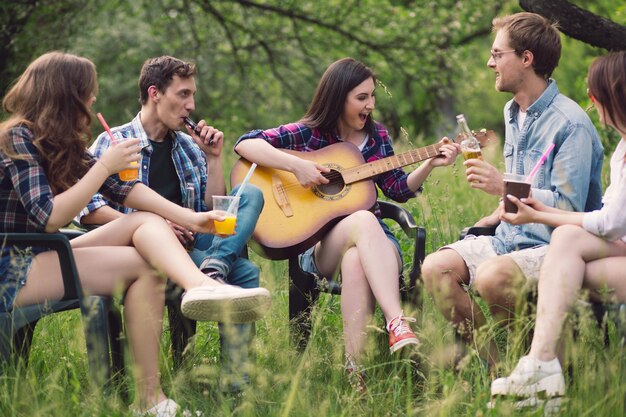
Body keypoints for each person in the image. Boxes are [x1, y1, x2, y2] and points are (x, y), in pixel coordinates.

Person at [0, 51, 270, 416]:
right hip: (12, 266)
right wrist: (104, 167)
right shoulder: (18, 137)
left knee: (146, 240)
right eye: (88, 92)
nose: (93, 98)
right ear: (66, 94)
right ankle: (204, 285)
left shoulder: (59, 141)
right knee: (144, 241)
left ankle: (151, 399)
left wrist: (193, 220)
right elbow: (49, 216)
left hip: (44, 254)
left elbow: (125, 191)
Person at [234, 57, 459, 389]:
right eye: (361, 97)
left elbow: (397, 189)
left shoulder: (377, 135)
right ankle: (397, 320)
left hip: (377, 246)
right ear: (339, 97)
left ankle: (356, 373)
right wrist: (297, 166)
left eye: (372, 97)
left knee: (357, 254)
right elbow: (245, 143)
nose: (370, 105)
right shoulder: (310, 134)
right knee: (363, 219)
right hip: (324, 248)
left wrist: (429, 164)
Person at [421, 12, 604, 363]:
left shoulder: (571, 124)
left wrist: (501, 184)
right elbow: (521, 189)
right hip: (508, 239)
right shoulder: (512, 111)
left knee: (492, 277)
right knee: (436, 269)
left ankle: (539, 366)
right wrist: (494, 213)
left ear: (526, 59)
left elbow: (568, 206)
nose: (490, 63)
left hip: (555, 246)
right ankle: (497, 371)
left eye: (497, 54)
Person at [76, 55, 265, 394]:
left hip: (193, 250)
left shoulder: (188, 148)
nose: (191, 105)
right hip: (142, 255)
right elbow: (89, 210)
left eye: (192, 96)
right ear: (155, 93)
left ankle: (213, 273)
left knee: (248, 195)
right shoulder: (114, 142)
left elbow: (212, 211)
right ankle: (214, 278)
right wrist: (152, 225)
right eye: (183, 94)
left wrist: (213, 158)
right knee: (245, 273)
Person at [489, 50, 626, 409]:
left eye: (594, 97)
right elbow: (613, 218)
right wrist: (542, 211)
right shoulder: (623, 149)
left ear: (613, 97)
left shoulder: (576, 126)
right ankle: (545, 379)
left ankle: (542, 369)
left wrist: (542, 216)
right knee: (570, 268)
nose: (592, 106)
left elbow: (609, 223)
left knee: (566, 249)